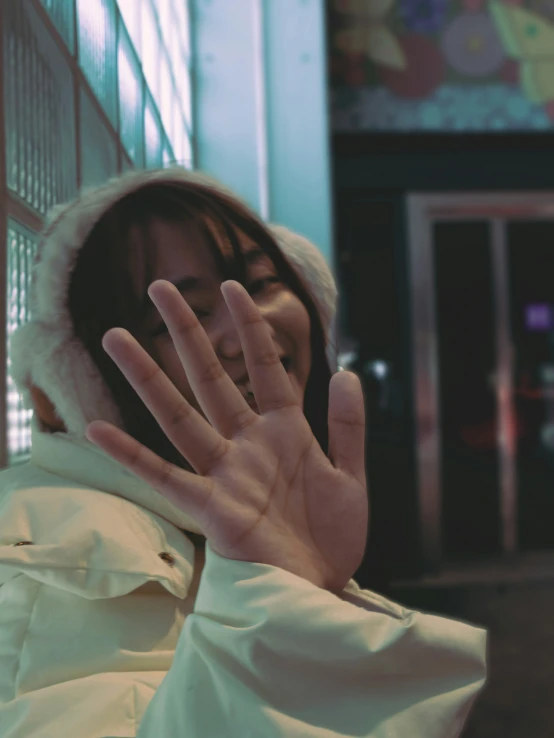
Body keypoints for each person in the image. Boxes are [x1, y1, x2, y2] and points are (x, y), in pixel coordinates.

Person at [0, 167, 487, 737]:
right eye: (179, 316)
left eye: (258, 285)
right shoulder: (50, 569)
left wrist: (296, 594)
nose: (245, 331)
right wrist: (277, 608)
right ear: (86, 386)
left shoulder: (195, 532)